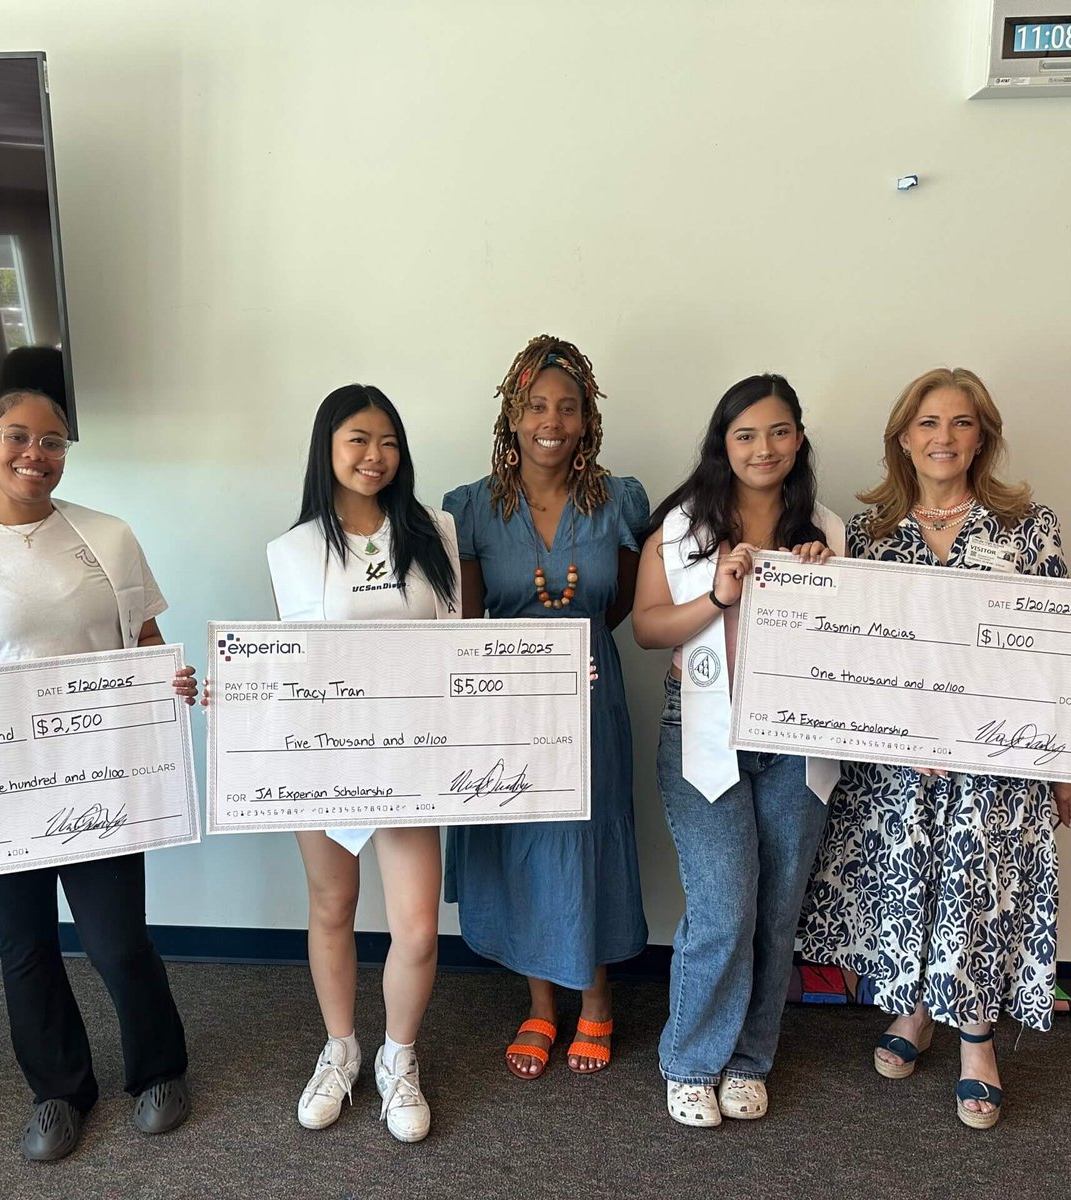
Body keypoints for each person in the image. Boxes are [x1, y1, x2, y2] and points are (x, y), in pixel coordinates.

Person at [0, 388, 199, 1161]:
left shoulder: (109, 538)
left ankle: (160, 1069)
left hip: (100, 780)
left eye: (54, 441)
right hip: (0, 788)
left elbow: (147, 642)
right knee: (24, 946)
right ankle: (59, 1091)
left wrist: (169, 683)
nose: (36, 453)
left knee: (118, 941)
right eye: (18, 436)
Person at [798, 366, 1071, 1130]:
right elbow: (849, 654)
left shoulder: (1028, 526)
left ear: (983, 436)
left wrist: (1067, 768)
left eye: (961, 422)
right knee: (912, 888)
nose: (944, 437)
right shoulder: (867, 534)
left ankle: (977, 1043)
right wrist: (814, 577)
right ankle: (919, 1010)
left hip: (996, 761)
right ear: (902, 437)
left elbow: (1060, 655)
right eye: (928, 422)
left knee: (974, 892)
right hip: (899, 764)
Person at [630, 374, 842, 1128]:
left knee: (777, 909)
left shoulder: (826, 528)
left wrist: (826, 581)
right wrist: (718, 595)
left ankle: (750, 1058)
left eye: (779, 431)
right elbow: (646, 627)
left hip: (795, 738)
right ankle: (691, 1062)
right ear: (723, 443)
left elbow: (849, 641)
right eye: (746, 434)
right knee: (724, 906)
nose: (764, 448)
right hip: (703, 730)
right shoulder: (684, 526)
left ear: (799, 438)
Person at [441, 334, 647, 1078]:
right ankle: (540, 1004)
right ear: (512, 415)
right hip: (506, 708)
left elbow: (619, 604)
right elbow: (466, 621)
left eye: (568, 406)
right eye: (536, 405)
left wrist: (568, 658)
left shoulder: (621, 501)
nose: (551, 421)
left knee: (586, 840)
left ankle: (595, 1001)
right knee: (525, 841)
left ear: (588, 419)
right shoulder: (468, 508)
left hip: (591, 701)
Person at [266, 384, 461, 1143]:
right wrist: (236, 692)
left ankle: (398, 1058)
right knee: (332, 907)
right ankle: (341, 1048)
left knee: (417, 928)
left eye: (388, 441)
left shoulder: (434, 531)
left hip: (414, 753)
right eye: (357, 439)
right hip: (324, 759)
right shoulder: (291, 550)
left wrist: (540, 679)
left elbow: (461, 644)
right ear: (328, 448)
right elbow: (285, 662)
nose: (375, 456)